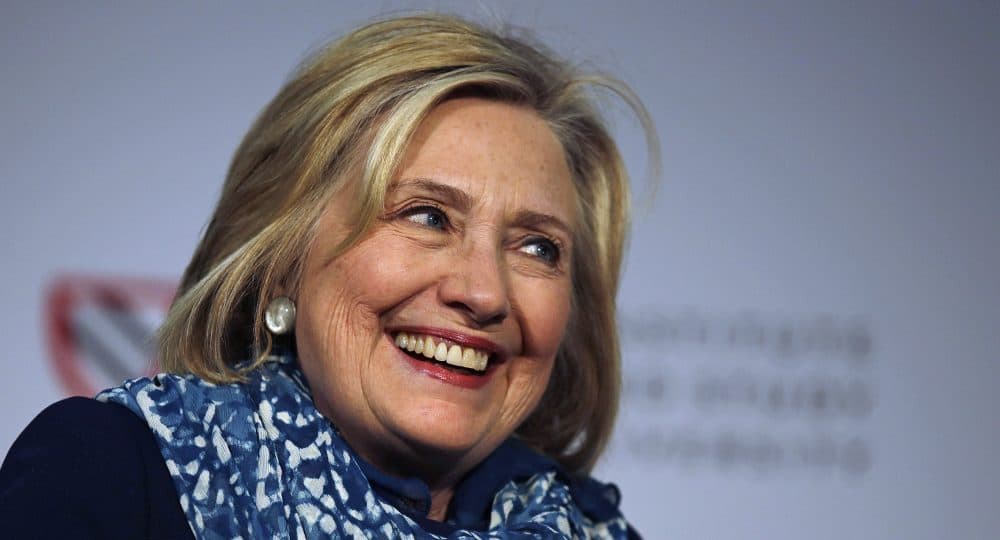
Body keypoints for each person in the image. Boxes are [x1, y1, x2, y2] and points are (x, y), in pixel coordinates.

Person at [0, 13, 656, 539]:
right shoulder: (111, 473)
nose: (483, 292)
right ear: (283, 260)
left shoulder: (594, 528)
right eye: (427, 216)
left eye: (538, 248)